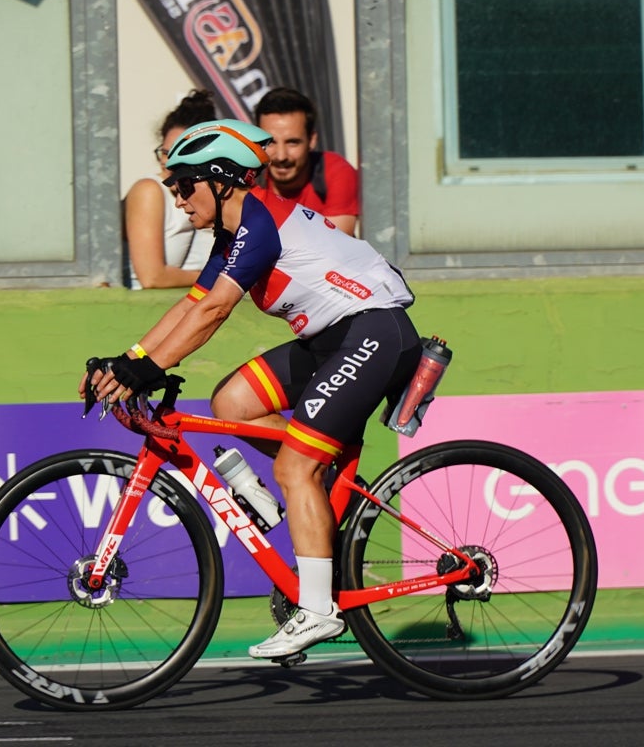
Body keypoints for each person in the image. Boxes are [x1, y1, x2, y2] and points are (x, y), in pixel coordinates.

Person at [83, 119, 422, 659]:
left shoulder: (259, 222)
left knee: (293, 467)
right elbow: (192, 304)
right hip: (330, 337)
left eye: (183, 185)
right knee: (232, 402)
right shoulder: (233, 234)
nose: (177, 199)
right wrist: (130, 361)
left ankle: (317, 610)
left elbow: (216, 311)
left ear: (220, 179)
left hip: (374, 331)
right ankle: (312, 482)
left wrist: (144, 372)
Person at [123, 90, 217, 289]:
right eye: (165, 153)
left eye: (178, 154)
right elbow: (152, 278)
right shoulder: (149, 191)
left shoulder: (213, 195)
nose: (167, 163)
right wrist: (221, 278)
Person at [253, 86, 360, 235]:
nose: (281, 156)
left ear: (312, 140)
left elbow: (336, 247)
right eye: (271, 142)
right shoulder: (247, 180)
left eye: (292, 142)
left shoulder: (335, 172)